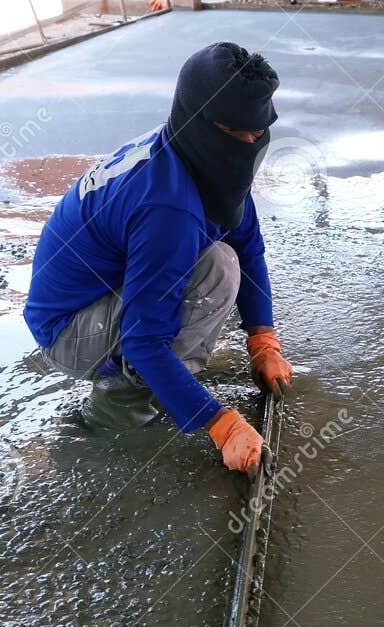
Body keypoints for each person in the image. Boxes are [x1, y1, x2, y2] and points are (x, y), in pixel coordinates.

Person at [23, 42, 293, 473]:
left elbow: (249, 245)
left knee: (224, 257)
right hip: (67, 330)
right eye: (235, 132)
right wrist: (220, 424)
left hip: (100, 291)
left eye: (257, 133)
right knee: (215, 272)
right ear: (201, 121)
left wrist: (263, 338)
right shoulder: (168, 207)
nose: (248, 143)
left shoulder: (191, 154)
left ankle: (164, 380)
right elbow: (143, 339)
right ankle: (121, 403)